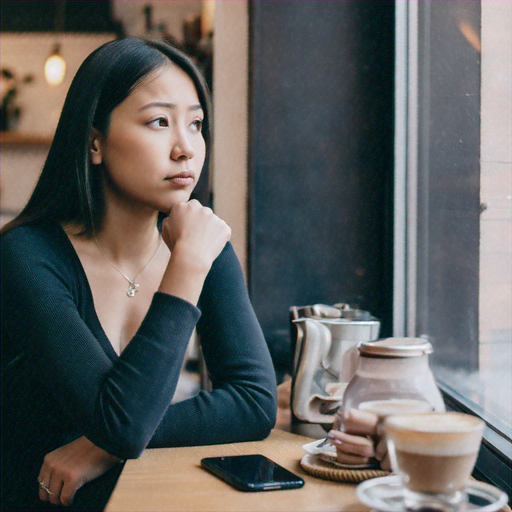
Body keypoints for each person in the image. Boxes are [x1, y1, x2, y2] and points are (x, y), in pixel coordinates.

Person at [1, 36, 277, 511]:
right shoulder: (26, 255)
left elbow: (254, 403)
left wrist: (97, 448)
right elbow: (122, 425)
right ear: (94, 143)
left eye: (196, 124)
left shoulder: (202, 241)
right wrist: (187, 269)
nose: (186, 149)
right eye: (159, 122)